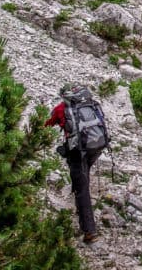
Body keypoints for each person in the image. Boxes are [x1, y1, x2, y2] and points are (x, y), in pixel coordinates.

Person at [45, 84, 103, 244]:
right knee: (84, 175)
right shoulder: (91, 104)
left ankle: (90, 231)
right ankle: (81, 210)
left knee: (81, 188)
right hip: (95, 147)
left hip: (77, 151)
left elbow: (47, 124)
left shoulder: (61, 108)